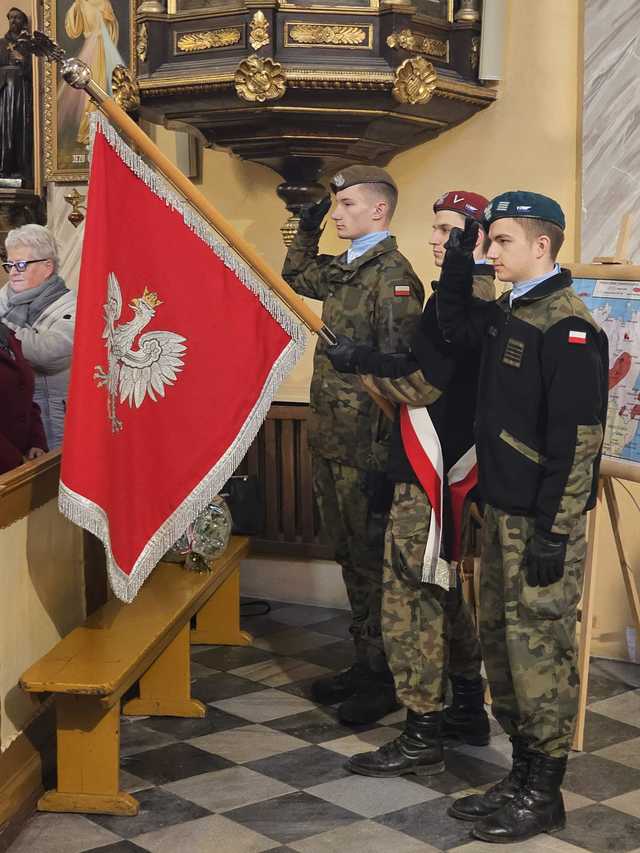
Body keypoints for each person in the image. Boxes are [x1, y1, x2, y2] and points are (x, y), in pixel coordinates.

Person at [436, 191, 608, 843]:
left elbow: (579, 441)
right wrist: (463, 257)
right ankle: (521, 772)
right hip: (502, 514)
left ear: (542, 246)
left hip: (541, 524)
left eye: (502, 240)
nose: (492, 251)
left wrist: (555, 531)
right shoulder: (514, 311)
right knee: (505, 653)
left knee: (541, 655)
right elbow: (453, 322)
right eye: (490, 239)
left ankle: (546, 791)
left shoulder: (566, 326)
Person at [325, 190, 494, 778]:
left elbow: (422, 386)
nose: (435, 240)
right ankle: (468, 709)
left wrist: (358, 364)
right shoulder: (472, 299)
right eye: (437, 228)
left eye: (449, 231)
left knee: (409, 600)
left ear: (473, 237)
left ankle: (422, 728)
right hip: (435, 469)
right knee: (441, 591)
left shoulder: (461, 303)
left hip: (427, 474)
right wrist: (365, 359)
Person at [282, 165, 424, 724]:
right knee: (349, 557)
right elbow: (296, 275)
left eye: (345, 206)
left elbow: (402, 375)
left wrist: (387, 458)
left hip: (368, 448)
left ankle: (385, 675)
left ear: (379, 212)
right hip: (333, 441)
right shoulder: (346, 269)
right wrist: (307, 227)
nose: (337, 213)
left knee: (372, 562)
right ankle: (365, 665)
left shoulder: (393, 277)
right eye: (334, 206)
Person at [0, 224, 76, 450]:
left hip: (54, 419)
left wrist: (4, 332)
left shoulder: (75, 305)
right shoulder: (4, 297)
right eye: (9, 265)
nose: (13, 271)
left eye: (21, 265)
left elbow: (47, 353)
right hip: (10, 423)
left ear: (47, 266)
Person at [59, 0, 124, 147]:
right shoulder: (81, 4)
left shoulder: (104, 3)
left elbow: (113, 28)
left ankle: (100, 133)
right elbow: (73, 30)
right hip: (92, 48)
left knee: (102, 88)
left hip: (104, 48)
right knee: (90, 90)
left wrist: (107, 33)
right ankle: (88, 131)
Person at [0, 321, 47, 474]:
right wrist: (16, 462)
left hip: (21, 467)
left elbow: (25, 397)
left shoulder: (7, 335)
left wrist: (36, 442)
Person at [0, 7, 33, 184]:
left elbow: (35, 75)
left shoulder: (29, 46)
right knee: (4, 131)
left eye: (17, 18)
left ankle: (21, 169)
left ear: (23, 22)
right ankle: (4, 169)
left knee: (19, 131)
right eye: (11, 18)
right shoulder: (0, 44)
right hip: (4, 95)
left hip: (21, 96)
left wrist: (23, 60)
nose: (13, 21)